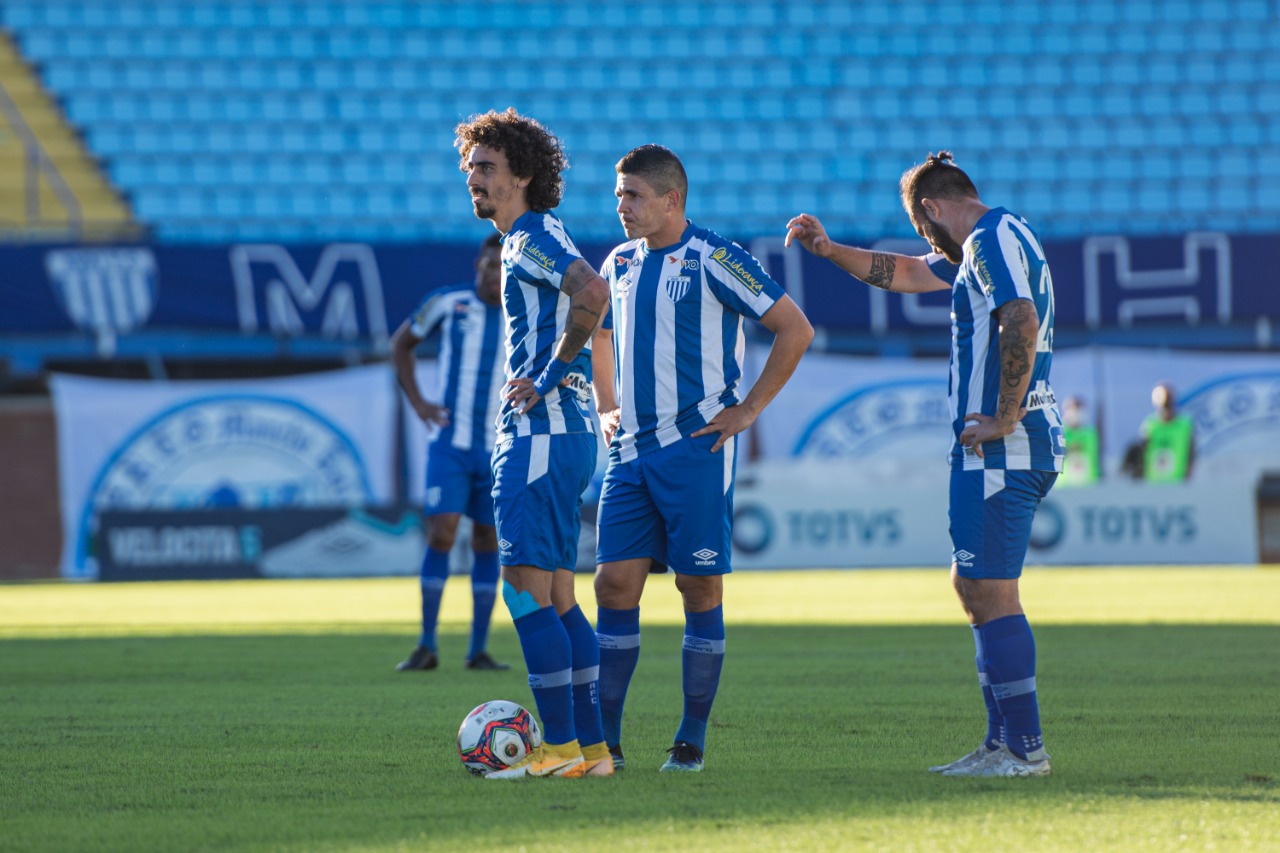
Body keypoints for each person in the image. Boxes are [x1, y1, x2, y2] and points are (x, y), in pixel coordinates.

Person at [785, 151, 1063, 778]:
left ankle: (1023, 749)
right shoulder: (995, 243)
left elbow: (1020, 318)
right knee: (973, 586)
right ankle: (1002, 743)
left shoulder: (992, 238)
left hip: (1002, 447)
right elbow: (908, 272)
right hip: (997, 446)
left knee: (989, 588)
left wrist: (1004, 415)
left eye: (921, 224)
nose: (923, 238)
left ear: (933, 208)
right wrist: (830, 251)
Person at [592, 145, 814, 773]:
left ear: (671, 201)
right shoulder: (618, 262)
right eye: (618, 195)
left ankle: (690, 739)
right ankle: (606, 744)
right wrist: (606, 405)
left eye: (633, 196)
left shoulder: (714, 257)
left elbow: (795, 328)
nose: (622, 207)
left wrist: (749, 409)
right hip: (629, 452)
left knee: (698, 587)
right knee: (612, 585)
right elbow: (601, 334)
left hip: (695, 448)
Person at [454, 108, 612, 779]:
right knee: (559, 598)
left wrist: (547, 373)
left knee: (522, 594)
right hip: (565, 437)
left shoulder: (527, 238)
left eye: (486, 168)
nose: (473, 179)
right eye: (469, 168)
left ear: (521, 174)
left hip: (540, 438)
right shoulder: (538, 234)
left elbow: (594, 292)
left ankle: (561, 748)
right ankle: (593, 751)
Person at [391, 234, 510, 674]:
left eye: (501, 267)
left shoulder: (523, 313)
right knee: (441, 533)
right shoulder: (447, 303)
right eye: (488, 265)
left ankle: (477, 649)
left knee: (487, 539)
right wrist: (420, 403)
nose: (492, 274)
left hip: (498, 447)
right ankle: (427, 644)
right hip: (452, 446)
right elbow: (400, 344)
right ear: (477, 264)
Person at [1140, 382, 1196, 482]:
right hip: (1153, 485)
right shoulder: (1150, 425)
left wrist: (1187, 474)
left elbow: (1191, 452)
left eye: (1168, 404)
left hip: (1177, 484)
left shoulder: (1184, 424)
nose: (1167, 410)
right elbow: (1142, 451)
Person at [1059, 395, 1100, 487]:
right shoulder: (1060, 432)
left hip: (1088, 485)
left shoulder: (1090, 433)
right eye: (1073, 408)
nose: (1076, 412)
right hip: (1064, 486)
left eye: (1079, 408)